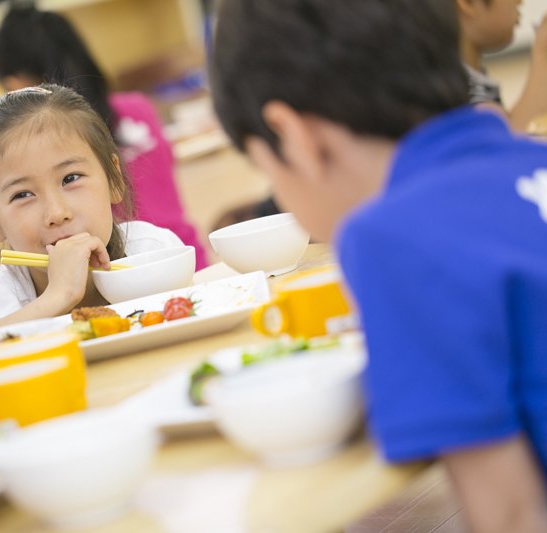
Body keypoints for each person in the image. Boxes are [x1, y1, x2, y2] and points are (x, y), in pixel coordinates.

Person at [210, 1, 547, 531]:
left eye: (267, 169)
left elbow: (510, 515)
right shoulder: (535, 157)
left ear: (293, 135)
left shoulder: (390, 238)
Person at [0, 84, 184, 333]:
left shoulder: (150, 250)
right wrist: (58, 296)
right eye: (22, 195)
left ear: (113, 178)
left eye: (70, 178)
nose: (56, 213)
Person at [0, 5, 208, 269]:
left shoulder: (45, 145)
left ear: (15, 86)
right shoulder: (138, 108)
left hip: (117, 274)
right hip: (189, 259)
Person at [457, 0, 547, 131]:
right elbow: (504, 145)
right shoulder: (448, 95)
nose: (520, 1)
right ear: (468, 3)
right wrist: (543, 57)